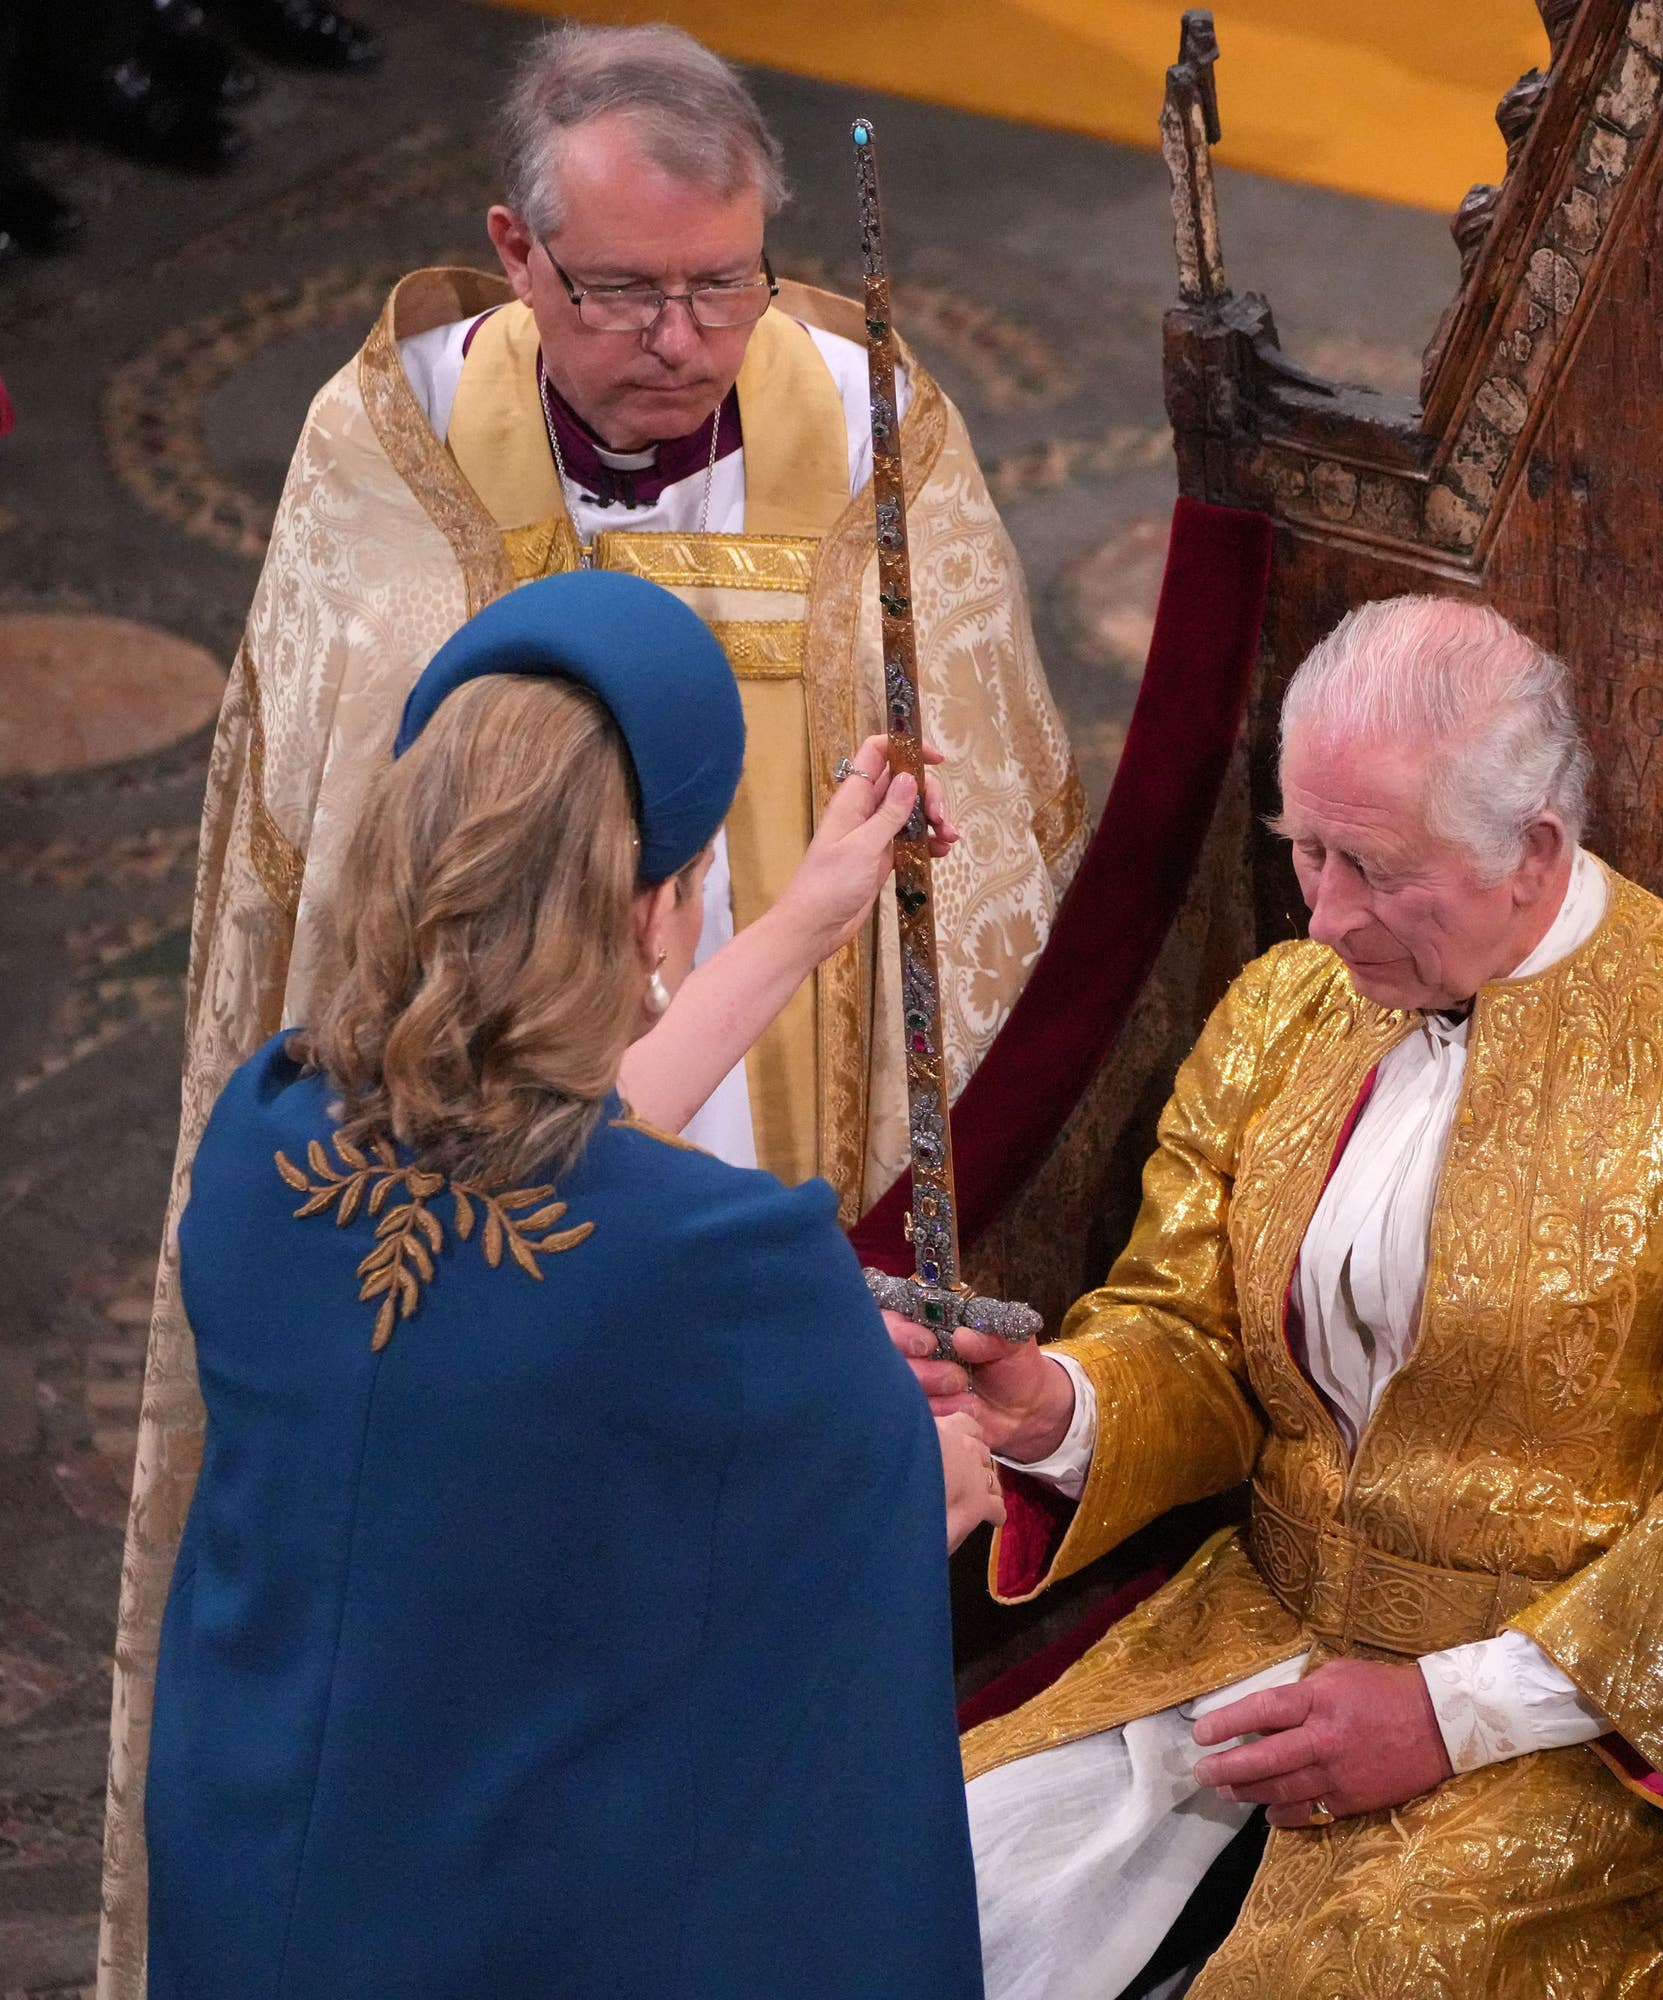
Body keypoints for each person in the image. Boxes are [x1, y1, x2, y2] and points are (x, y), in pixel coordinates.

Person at [102, 22, 1082, 1979]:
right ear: (514, 253)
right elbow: (863, 1477)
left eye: (725, 283)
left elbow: (544, 1141)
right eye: (625, 287)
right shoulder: (382, 455)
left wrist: (812, 916)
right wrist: (992, 1426)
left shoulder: (269, 1136)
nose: (680, 332)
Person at [897, 596, 1663, 1998]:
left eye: (1372, 866)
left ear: (1530, 850)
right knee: (921, 1887)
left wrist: (1450, 1712)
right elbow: (1186, 1331)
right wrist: (1057, 1401)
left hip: (1551, 1740)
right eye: (1303, 850)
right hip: (1247, 1630)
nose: (1324, 915)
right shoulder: (1289, 1008)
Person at [142, 572, 992, 2000]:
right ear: (656, 909)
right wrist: (941, 1461)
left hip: (258, 1885)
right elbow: (866, 1541)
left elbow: (539, 1179)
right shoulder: (732, 1270)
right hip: (510, 1929)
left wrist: (796, 929)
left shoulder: (263, 1138)